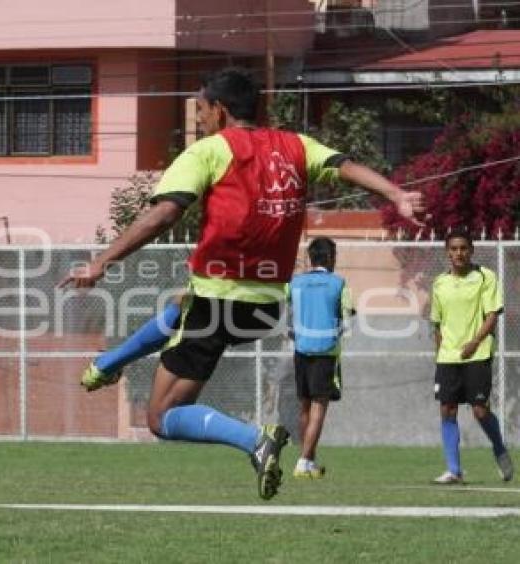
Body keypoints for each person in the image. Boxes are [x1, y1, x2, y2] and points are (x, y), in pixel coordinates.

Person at [61, 67, 424, 500]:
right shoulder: (294, 145)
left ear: (220, 109)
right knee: (182, 303)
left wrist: (101, 262)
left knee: (161, 416)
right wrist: (396, 195)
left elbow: (164, 213)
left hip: (220, 301)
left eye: (201, 111)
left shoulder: (210, 151)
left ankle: (255, 439)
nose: (200, 120)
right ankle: (108, 364)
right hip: (265, 307)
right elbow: (344, 166)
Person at [430, 230, 513, 484]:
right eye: (454, 249)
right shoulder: (439, 283)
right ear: (447, 252)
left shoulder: (485, 277)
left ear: (472, 250)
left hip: (477, 353)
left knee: (479, 410)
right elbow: (436, 323)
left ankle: (499, 448)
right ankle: (454, 470)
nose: (459, 253)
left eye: (463, 248)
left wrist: (474, 342)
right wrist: (441, 352)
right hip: (448, 358)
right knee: (447, 410)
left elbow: (492, 315)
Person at [287, 237, 353, 479]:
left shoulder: (295, 283)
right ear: (330, 258)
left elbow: (289, 314)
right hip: (326, 352)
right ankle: (303, 461)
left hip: (301, 350)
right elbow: (347, 318)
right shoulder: (339, 283)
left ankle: (309, 460)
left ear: (311, 259)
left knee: (304, 405)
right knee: (319, 407)